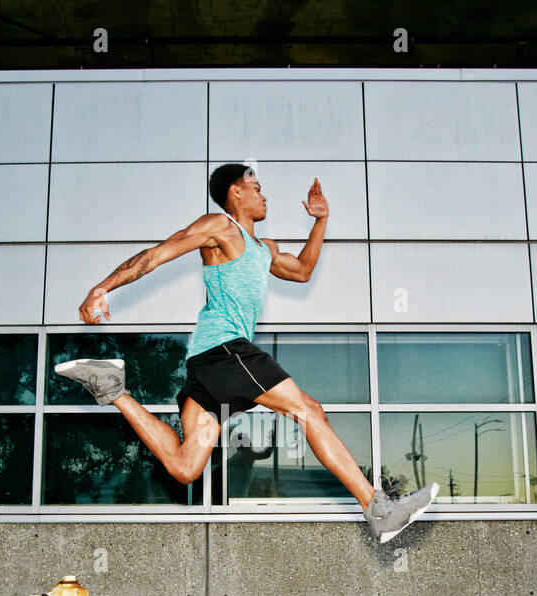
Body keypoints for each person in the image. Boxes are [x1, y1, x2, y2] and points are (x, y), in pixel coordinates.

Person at [56, 163, 438, 543]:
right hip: (225, 349)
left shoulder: (263, 248)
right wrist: (103, 287)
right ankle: (379, 509)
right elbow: (155, 255)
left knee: (186, 466)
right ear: (235, 192)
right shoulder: (220, 228)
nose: (264, 194)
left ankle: (112, 388)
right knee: (309, 411)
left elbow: (303, 270)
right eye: (256, 186)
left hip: (208, 364)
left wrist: (320, 221)